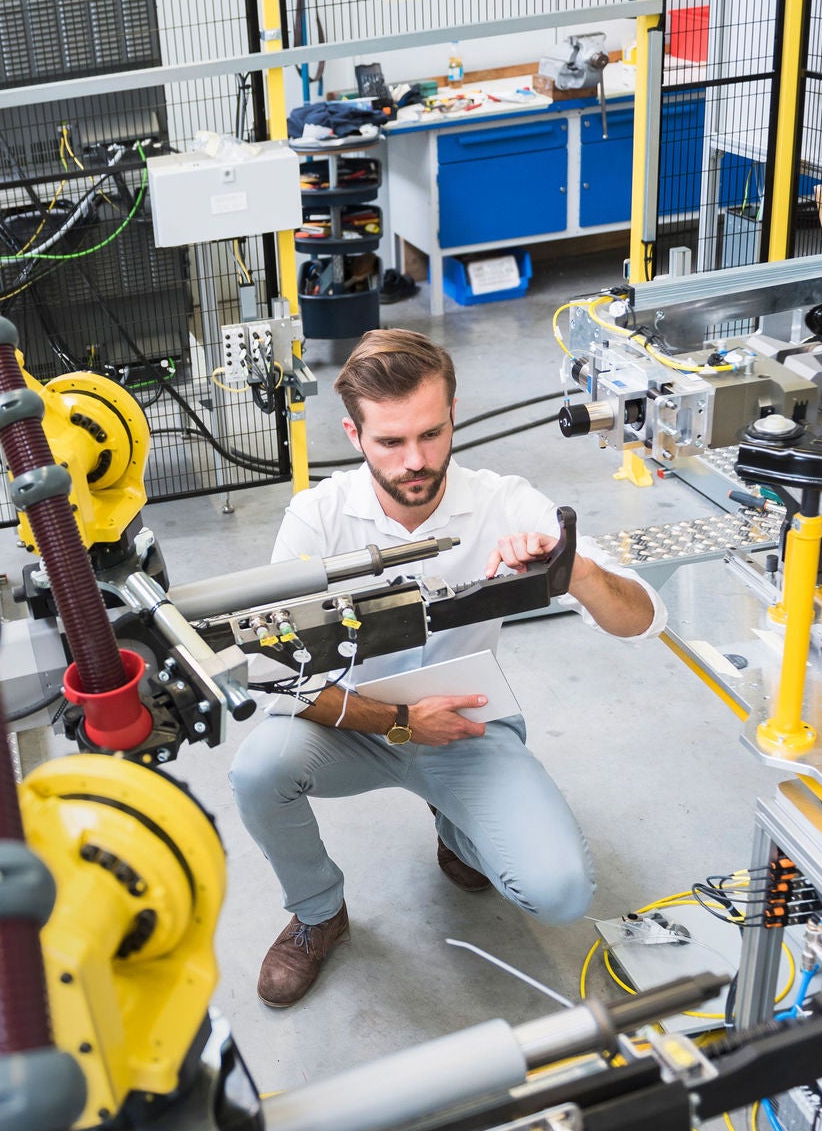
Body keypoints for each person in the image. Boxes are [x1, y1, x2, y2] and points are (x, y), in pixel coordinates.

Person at [228, 328, 665, 1008]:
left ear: (454, 414)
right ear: (353, 433)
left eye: (431, 434)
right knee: (258, 769)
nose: (415, 461)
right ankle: (318, 912)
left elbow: (639, 618)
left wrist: (568, 568)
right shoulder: (316, 519)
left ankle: (455, 822)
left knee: (560, 892)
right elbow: (274, 672)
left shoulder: (503, 501)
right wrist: (401, 722)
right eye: (390, 442)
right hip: (356, 723)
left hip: (464, 724)